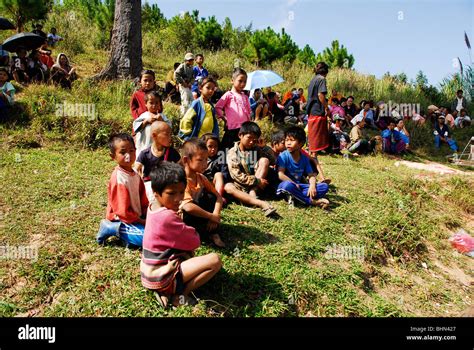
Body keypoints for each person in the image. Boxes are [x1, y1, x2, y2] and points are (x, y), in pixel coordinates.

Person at [140, 161, 222, 308]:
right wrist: (187, 227)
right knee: (215, 261)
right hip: (161, 274)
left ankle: (165, 290)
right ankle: (179, 295)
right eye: (171, 193)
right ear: (156, 193)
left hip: (149, 272)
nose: (178, 198)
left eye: (181, 192)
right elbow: (195, 241)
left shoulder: (153, 207)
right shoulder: (168, 217)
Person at [97, 133, 148, 247]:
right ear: (113, 156)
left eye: (131, 151)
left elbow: (143, 199)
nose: (128, 155)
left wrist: (148, 214)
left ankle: (128, 239)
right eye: (123, 152)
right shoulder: (119, 178)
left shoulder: (135, 175)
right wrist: (141, 221)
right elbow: (122, 212)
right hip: (121, 220)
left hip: (136, 217)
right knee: (149, 239)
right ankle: (110, 228)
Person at [224, 122, 278, 217]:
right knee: (228, 187)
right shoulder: (232, 152)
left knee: (264, 160)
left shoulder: (256, 149)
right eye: (249, 138)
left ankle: (253, 193)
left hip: (256, 187)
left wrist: (264, 147)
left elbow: (273, 161)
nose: (251, 142)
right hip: (241, 186)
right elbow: (236, 175)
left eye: (254, 140)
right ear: (240, 135)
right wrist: (256, 181)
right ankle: (259, 202)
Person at [180, 139, 226, 247]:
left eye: (206, 159)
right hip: (186, 218)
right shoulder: (181, 180)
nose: (205, 164)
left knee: (211, 197)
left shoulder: (201, 177)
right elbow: (188, 207)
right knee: (190, 211)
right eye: (200, 160)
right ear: (186, 160)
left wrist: (215, 214)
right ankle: (205, 233)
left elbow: (219, 198)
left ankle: (210, 231)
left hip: (202, 215)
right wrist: (210, 216)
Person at [276, 126, 330, 208]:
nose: (288, 143)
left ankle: (296, 197)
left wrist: (312, 186)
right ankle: (311, 201)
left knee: (324, 187)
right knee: (287, 186)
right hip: (288, 185)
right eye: (287, 140)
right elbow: (280, 174)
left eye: (292, 140)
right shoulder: (283, 156)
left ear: (301, 143)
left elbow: (311, 175)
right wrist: (293, 183)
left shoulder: (304, 158)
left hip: (300, 186)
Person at [135, 121, 181, 203]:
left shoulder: (172, 153)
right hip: (150, 187)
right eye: (167, 134)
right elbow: (135, 169)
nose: (170, 137)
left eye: (170, 134)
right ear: (154, 135)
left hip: (168, 185)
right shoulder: (145, 154)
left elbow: (182, 168)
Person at [215, 68, 251, 151]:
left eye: (245, 82)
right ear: (232, 80)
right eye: (240, 81)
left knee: (242, 149)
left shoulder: (245, 97)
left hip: (244, 129)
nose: (242, 84)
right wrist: (225, 119)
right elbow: (218, 107)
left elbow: (248, 112)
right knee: (227, 149)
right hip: (232, 128)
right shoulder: (228, 94)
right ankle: (223, 163)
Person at [179, 76, 219, 141]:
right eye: (208, 87)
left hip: (208, 140)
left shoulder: (211, 105)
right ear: (200, 88)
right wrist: (187, 137)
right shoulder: (196, 103)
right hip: (198, 140)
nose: (211, 90)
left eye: (213, 89)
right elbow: (186, 120)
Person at [133, 91, 171, 158]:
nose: (154, 105)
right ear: (146, 104)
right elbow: (136, 128)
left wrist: (161, 121)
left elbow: (169, 128)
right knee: (144, 160)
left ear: (160, 104)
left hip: (158, 146)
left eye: (157, 103)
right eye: (151, 103)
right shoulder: (143, 116)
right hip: (145, 145)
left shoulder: (162, 116)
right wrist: (146, 121)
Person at [307, 62, 330, 156]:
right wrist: (326, 107)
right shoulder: (322, 79)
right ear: (325, 71)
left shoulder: (313, 80)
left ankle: (310, 153)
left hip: (311, 109)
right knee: (317, 133)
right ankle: (313, 156)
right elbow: (320, 95)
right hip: (317, 109)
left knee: (313, 133)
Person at [201, 133, 229, 201]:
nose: (213, 149)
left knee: (218, 174)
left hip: (213, 184)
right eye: (210, 146)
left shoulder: (220, 158)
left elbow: (225, 174)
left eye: (215, 146)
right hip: (201, 182)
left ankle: (219, 197)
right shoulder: (199, 158)